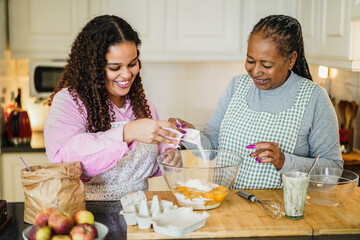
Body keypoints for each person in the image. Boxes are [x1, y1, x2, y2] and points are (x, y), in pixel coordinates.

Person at [172, 15, 343, 189]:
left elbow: (333, 170)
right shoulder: (237, 86)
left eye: (267, 65)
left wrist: (284, 161)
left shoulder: (314, 97)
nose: (255, 71)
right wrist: (187, 134)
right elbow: (212, 145)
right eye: (250, 61)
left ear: (291, 60)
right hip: (228, 205)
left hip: (279, 211)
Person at [44, 15, 180, 200]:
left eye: (132, 64)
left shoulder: (142, 104)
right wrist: (126, 133)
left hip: (139, 214)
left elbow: (151, 161)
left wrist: (169, 155)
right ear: (93, 68)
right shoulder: (70, 101)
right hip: (88, 215)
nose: (126, 74)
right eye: (115, 67)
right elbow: (65, 160)